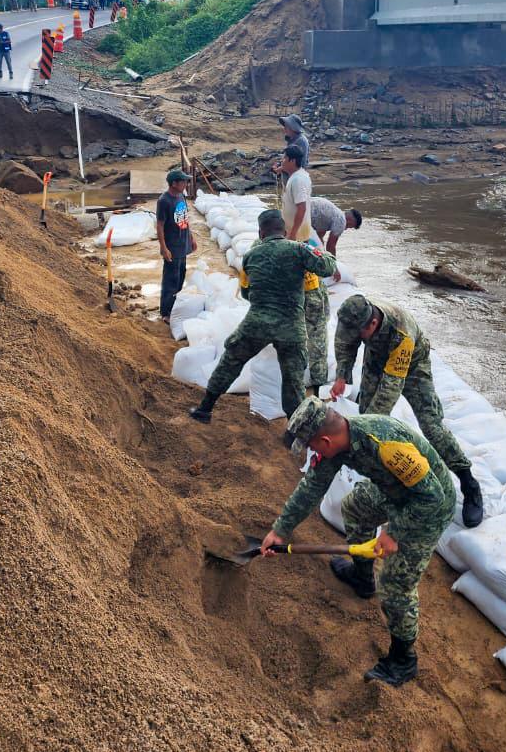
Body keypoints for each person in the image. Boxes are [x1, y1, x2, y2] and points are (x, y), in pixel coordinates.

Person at [257, 397, 454, 687]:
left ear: (324, 440)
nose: (311, 452)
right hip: (394, 492)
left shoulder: (385, 445)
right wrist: (280, 530)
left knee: (396, 585)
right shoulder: (336, 445)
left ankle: (403, 660)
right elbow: (312, 486)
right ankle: (362, 578)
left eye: (311, 446)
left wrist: (393, 533)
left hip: (426, 507)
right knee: (355, 507)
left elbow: (431, 496)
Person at [331, 294, 484, 526]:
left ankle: (468, 482)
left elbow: (390, 390)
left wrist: (365, 429)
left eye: (358, 332)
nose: (352, 335)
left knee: (431, 426)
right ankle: (377, 477)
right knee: (364, 414)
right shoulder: (355, 318)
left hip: (413, 366)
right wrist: (342, 375)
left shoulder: (402, 334)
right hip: (376, 358)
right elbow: (344, 344)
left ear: (372, 324)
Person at [189, 210, 335, 424]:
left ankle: (205, 408)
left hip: (257, 322)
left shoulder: (250, 255)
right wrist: (323, 252)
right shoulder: (298, 249)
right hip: (291, 327)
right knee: (293, 379)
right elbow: (328, 267)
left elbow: (247, 293)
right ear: (284, 231)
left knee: (231, 360)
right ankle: (293, 431)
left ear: (260, 231)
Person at [156, 168, 197, 322]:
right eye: (184, 181)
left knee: (180, 277)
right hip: (172, 247)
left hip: (183, 244)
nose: (186, 183)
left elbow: (184, 219)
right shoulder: (164, 201)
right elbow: (160, 225)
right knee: (170, 281)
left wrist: (191, 238)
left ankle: (175, 308)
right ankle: (166, 313)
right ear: (174, 183)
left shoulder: (181, 196)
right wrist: (164, 247)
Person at [279, 145, 312, 244]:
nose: (282, 160)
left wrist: (293, 233)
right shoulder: (297, 175)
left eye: (285, 158)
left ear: (292, 161)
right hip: (296, 233)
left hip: (298, 235)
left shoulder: (298, 180)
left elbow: (302, 208)